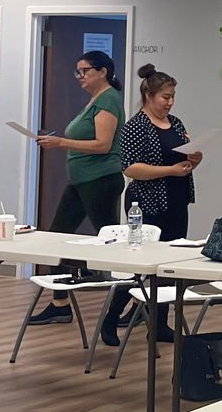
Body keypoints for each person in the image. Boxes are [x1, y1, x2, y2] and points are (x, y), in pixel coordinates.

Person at [29, 49, 124, 324]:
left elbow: (103, 144)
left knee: (114, 242)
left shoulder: (108, 99)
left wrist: (60, 142)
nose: (80, 76)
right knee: (56, 238)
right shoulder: (95, 100)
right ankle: (60, 303)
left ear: (103, 72)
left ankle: (126, 299)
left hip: (99, 180)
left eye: (85, 71)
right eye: (78, 71)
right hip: (81, 180)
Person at [110, 64, 202, 345]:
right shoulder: (135, 126)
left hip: (177, 199)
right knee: (142, 265)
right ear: (148, 96)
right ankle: (111, 317)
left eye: (173, 96)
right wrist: (170, 170)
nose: (170, 102)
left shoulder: (176, 123)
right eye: (165, 97)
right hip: (146, 202)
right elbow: (130, 168)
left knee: (169, 263)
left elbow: (182, 158)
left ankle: (159, 323)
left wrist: (194, 160)